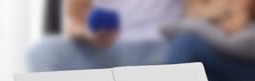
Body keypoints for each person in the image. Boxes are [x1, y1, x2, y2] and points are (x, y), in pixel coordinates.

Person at [27, 0, 184, 72]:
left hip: (161, 48)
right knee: (43, 52)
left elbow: (195, 13)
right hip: (107, 49)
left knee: (186, 47)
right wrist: (88, 34)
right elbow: (73, 20)